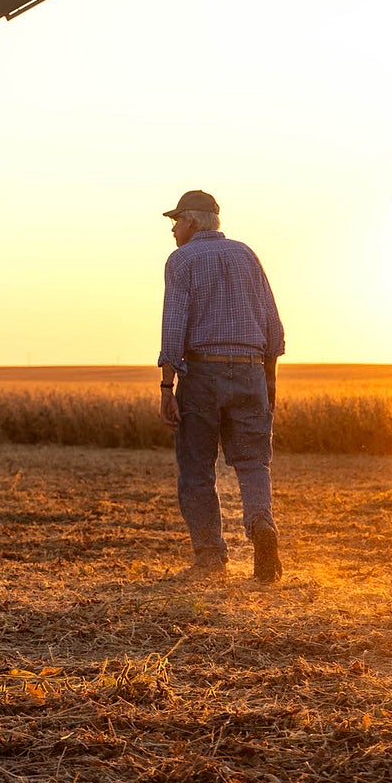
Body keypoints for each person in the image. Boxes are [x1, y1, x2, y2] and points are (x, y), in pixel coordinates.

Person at [157, 189, 284, 582]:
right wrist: (268, 383)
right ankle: (261, 525)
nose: (173, 229)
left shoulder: (182, 260)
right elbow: (272, 324)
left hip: (202, 374)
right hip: (250, 371)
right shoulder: (247, 255)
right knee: (252, 463)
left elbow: (174, 322)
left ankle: (211, 556)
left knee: (196, 468)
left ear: (192, 222)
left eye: (176, 221)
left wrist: (166, 385)